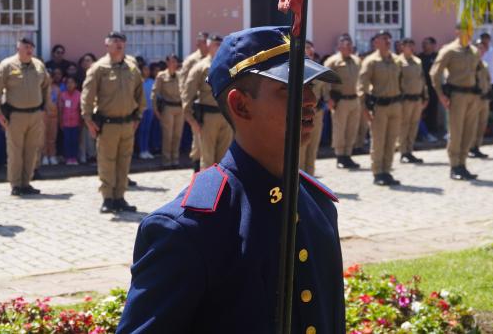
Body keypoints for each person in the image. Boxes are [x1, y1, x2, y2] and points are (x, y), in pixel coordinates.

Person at [117, 26, 345, 333]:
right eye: (288, 88)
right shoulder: (190, 228)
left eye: (311, 87)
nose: (309, 101)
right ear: (240, 105)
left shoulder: (317, 205)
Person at [81, 31, 145, 214]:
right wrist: (88, 121)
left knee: (124, 161)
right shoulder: (99, 68)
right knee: (107, 162)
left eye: (121, 41)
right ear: (106, 44)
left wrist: (138, 116)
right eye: (115, 41)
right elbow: (87, 96)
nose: (119, 44)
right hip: (107, 124)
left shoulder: (132, 67)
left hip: (127, 123)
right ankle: (108, 198)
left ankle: (120, 197)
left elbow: (140, 94)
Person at [0, 37, 50, 197]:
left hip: (35, 114)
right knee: (15, 151)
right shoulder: (7, 66)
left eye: (31, 46)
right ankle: (16, 184)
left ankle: (26, 182)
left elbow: (46, 85)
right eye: (26, 46)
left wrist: (44, 107)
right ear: (18, 48)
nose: (29, 49)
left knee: (32, 150)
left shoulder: (38, 65)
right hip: (15, 115)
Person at [430, 24, 482, 181]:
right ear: (458, 32)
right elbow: (435, 73)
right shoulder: (449, 50)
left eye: (471, 30)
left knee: (469, 132)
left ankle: (463, 164)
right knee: (456, 132)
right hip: (457, 95)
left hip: (472, 95)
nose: (469, 33)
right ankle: (454, 166)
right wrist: (441, 95)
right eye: (466, 30)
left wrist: (481, 91)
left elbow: (478, 71)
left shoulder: (474, 51)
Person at [357, 31, 403, 186]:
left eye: (389, 38)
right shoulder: (370, 61)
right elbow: (362, 87)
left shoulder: (397, 60)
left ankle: (387, 171)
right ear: (376, 42)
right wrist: (365, 110)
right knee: (378, 141)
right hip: (379, 107)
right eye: (384, 39)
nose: (388, 41)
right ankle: (378, 173)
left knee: (391, 141)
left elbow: (402, 82)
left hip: (395, 105)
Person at [182, 34, 232, 170]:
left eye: (221, 44)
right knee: (207, 160)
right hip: (207, 118)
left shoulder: (229, 65)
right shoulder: (200, 67)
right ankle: (208, 189)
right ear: (209, 46)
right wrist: (191, 120)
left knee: (225, 160)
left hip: (226, 116)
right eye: (216, 44)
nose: (219, 47)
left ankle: (223, 189)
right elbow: (188, 94)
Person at [325, 34, 362, 170]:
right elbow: (326, 82)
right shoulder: (332, 61)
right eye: (346, 45)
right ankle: (340, 156)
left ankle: (348, 154)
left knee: (352, 129)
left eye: (350, 45)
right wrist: (328, 98)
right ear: (339, 47)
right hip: (340, 100)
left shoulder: (357, 60)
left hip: (354, 99)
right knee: (340, 129)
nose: (349, 48)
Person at [178, 32, 209, 170]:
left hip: (210, 106)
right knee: (198, 142)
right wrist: (187, 104)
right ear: (198, 44)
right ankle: (197, 171)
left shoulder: (213, 59)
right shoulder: (191, 61)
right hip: (197, 107)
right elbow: (183, 83)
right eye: (203, 42)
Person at [395, 38, 426, 164]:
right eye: (409, 46)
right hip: (405, 99)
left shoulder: (417, 61)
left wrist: (425, 96)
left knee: (414, 125)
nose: (412, 48)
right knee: (404, 126)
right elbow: (395, 81)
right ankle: (403, 151)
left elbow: (422, 80)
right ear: (402, 47)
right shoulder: (398, 62)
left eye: (413, 45)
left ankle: (410, 150)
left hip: (417, 98)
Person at [300, 41, 328, 176]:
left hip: (316, 114)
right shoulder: (294, 69)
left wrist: (323, 104)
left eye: (311, 49)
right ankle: (298, 182)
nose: (310, 51)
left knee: (313, 148)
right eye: (307, 49)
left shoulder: (318, 70)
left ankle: (311, 181)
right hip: (300, 115)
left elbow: (325, 92)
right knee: (300, 150)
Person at [152, 54, 183, 168]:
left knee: (177, 135)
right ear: (167, 63)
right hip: (168, 108)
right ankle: (166, 160)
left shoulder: (180, 75)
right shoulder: (161, 76)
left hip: (180, 108)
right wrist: (155, 109)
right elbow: (154, 93)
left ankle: (175, 159)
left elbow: (185, 91)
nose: (175, 64)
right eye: (172, 61)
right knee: (167, 136)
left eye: (176, 61)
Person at [469, 40, 492, 160]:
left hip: (484, 98)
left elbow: (488, 80)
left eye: (482, 48)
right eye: (478, 48)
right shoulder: (470, 64)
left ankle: (477, 146)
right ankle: (470, 147)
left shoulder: (484, 64)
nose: (480, 51)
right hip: (474, 98)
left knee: (482, 124)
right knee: (473, 124)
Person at [419, 37, 440, 139]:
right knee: (423, 108)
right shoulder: (419, 57)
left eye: (426, 43)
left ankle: (433, 129)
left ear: (433, 45)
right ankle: (424, 131)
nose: (424, 46)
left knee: (433, 107)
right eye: (423, 43)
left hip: (434, 86)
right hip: (422, 86)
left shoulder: (437, 57)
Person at [58, 76, 82, 165]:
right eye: (68, 83)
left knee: (75, 140)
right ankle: (68, 158)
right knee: (67, 141)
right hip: (66, 122)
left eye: (72, 82)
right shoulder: (62, 95)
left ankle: (74, 157)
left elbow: (80, 109)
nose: (70, 84)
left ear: (75, 84)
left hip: (76, 122)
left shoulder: (79, 94)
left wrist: (81, 122)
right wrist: (60, 121)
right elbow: (60, 110)